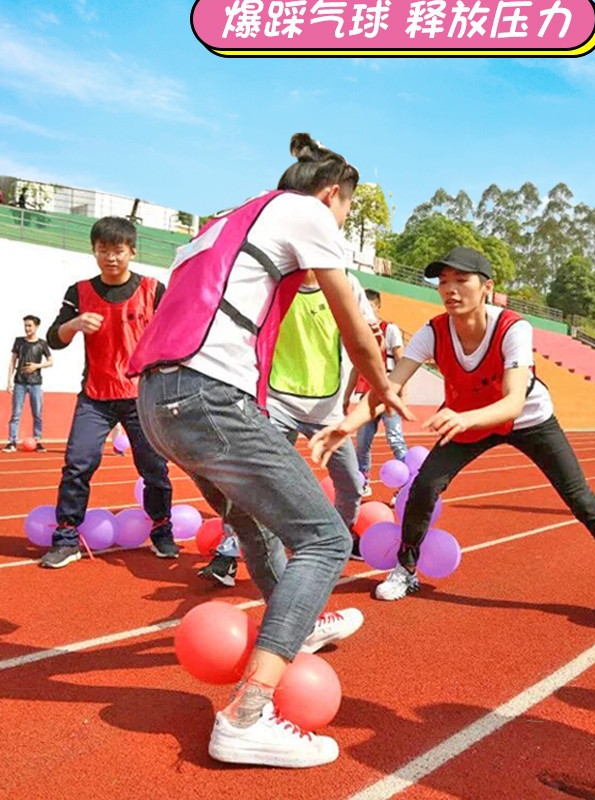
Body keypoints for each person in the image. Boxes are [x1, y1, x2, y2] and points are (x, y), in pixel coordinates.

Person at [132, 134, 410, 768]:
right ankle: (248, 713)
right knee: (327, 539)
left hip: (158, 400)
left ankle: (298, 621)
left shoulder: (225, 220)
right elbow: (352, 321)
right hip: (208, 397)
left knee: (252, 524)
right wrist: (382, 386)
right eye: (346, 211)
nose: (339, 225)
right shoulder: (307, 211)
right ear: (332, 195)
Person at [312, 246, 595, 634]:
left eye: (461, 280)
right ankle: (406, 568)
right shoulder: (433, 332)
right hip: (467, 422)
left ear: (486, 287)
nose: (450, 289)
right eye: (443, 282)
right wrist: (347, 425)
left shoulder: (513, 328)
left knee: (582, 500)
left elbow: (513, 401)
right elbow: (389, 386)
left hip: (528, 419)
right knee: (424, 487)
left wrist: (463, 418)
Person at [199, 268, 378, 587]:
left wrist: (381, 378)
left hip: (327, 409)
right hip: (277, 401)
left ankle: (337, 541)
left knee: (351, 482)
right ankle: (228, 552)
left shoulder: (344, 281)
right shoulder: (274, 279)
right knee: (254, 480)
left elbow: (366, 333)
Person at [40, 217, 176, 568]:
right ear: (94, 251)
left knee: (154, 468)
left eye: (118, 250)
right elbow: (54, 339)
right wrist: (74, 324)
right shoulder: (79, 291)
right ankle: (66, 538)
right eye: (103, 250)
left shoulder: (153, 290)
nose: (110, 257)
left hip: (141, 397)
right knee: (77, 465)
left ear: (132, 252)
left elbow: (174, 335)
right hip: (95, 396)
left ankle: (162, 529)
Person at [345, 289, 407, 496]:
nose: (366, 311)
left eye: (370, 307)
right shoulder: (359, 334)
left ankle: (406, 486)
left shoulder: (390, 330)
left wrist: (402, 395)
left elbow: (402, 362)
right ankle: (363, 482)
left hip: (388, 394)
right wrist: (346, 396)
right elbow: (356, 369)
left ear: (378, 307)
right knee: (362, 443)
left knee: (395, 439)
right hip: (367, 398)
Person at [5, 315, 53, 452]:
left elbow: (50, 361)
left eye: (30, 325)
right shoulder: (19, 342)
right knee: (16, 413)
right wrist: (9, 381)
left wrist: (36, 366)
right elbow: (12, 361)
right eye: (25, 325)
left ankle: (38, 441)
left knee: (37, 413)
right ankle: (12, 442)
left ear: (36, 326)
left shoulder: (42, 344)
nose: (27, 328)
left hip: (36, 383)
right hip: (19, 382)